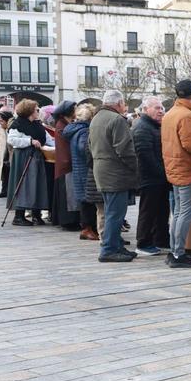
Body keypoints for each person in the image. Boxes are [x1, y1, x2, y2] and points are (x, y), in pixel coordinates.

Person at [90, 90, 139, 262]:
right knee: (115, 213)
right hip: (115, 173)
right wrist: (135, 168)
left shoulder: (97, 118)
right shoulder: (116, 119)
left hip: (103, 170)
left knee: (112, 211)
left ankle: (116, 246)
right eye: (124, 103)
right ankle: (109, 250)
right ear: (119, 103)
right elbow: (124, 149)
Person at [162, 80, 191, 269]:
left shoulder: (171, 113)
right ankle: (178, 253)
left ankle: (175, 251)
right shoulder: (187, 116)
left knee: (179, 213)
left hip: (176, 169)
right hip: (188, 171)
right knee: (186, 213)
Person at [132, 96, 170, 255]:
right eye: (157, 108)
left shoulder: (154, 126)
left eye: (162, 108)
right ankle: (143, 242)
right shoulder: (142, 127)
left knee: (161, 210)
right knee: (148, 211)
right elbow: (145, 156)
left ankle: (160, 239)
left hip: (158, 178)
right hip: (149, 178)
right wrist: (162, 173)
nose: (161, 110)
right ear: (146, 109)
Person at [7, 99, 51, 226]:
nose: (39, 111)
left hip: (37, 157)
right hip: (23, 157)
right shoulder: (17, 124)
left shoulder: (38, 124)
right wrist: (29, 141)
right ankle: (18, 216)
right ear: (30, 111)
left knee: (37, 184)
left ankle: (36, 215)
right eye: (37, 109)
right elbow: (12, 140)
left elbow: (48, 139)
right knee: (22, 185)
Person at [63, 104, 99, 241]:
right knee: (88, 201)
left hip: (79, 169)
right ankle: (87, 228)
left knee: (86, 200)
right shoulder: (84, 131)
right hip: (84, 169)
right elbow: (84, 149)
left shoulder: (75, 129)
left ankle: (88, 228)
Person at [49, 100, 80, 229]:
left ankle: (70, 220)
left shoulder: (65, 124)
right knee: (68, 195)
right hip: (66, 164)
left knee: (69, 194)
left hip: (66, 163)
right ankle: (68, 221)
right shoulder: (62, 126)